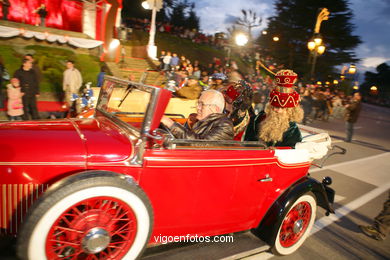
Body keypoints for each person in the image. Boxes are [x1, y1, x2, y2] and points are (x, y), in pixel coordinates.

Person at [244, 69, 303, 148]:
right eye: (275, 107)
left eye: (283, 108)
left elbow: (292, 152)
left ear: (290, 111)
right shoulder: (256, 120)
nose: (277, 110)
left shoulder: (292, 130)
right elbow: (246, 143)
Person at [161, 89, 234, 140]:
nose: (198, 107)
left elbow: (202, 144)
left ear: (215, 109)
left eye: (202, 104)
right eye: (198, 103)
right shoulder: (196, 120)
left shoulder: (225, 126)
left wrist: (171, 124)